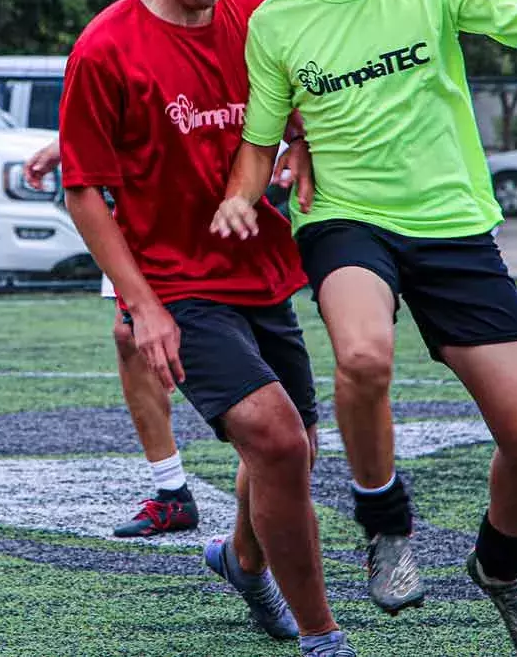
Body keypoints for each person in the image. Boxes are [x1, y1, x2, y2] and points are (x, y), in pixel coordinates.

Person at [211, 0, 517, 655]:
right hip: (345, 217)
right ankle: (384, 519)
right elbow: (261, 138)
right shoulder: (278, 20)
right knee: (360, 353)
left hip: (453, 227)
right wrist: (242, 196)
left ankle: (498, 566)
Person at [59, 0, 353, 654]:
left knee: (295, 451)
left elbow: (302, 107)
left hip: (262, 272)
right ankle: (324, 637)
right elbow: (85, 191)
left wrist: (302, 147)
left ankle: (239, 557)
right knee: (281, 441)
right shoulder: (104, 48)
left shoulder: (257, 13)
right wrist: (141, 304)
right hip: (178, 287)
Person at [22, 135, 308, 538]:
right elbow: (122, 101)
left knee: (289, 434)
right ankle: (171, 487)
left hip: (220, 196)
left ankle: (248, 545)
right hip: (151, 209)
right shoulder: (106, 73)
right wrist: (68, 142)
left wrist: (298, 136)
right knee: (128, 334)